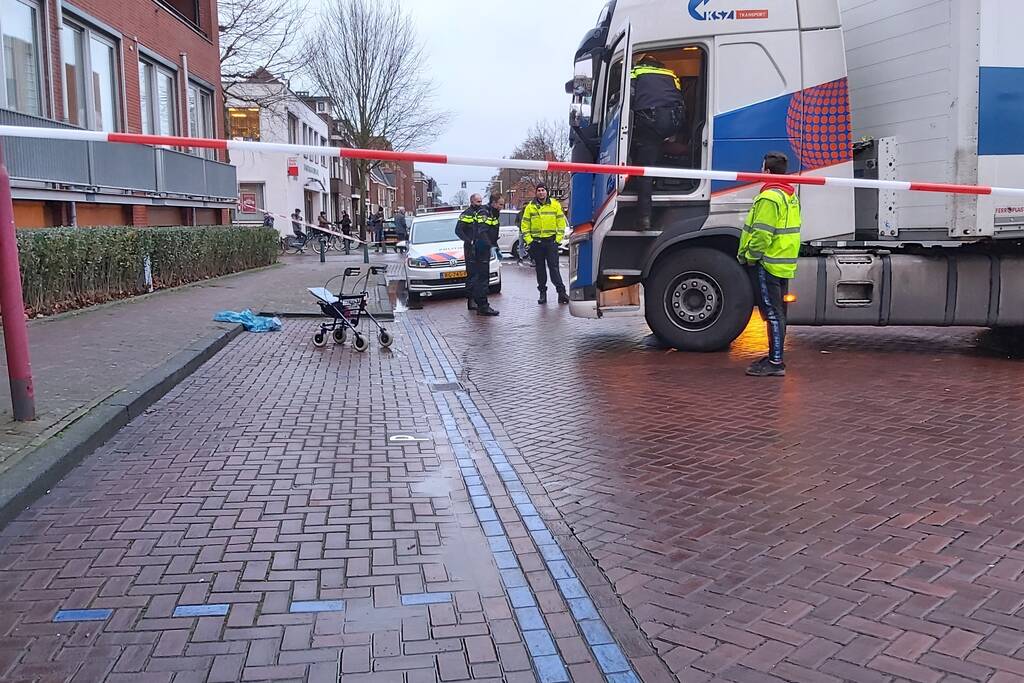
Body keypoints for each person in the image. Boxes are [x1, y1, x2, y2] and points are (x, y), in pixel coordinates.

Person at [738, 152, 802, 377]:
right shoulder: (789, 195)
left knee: (772, 313)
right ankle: (775, 357)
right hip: (782, 261)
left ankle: (775, 362)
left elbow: (762, 234)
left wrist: (751, 257)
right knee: (778, 313)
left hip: (768, 262)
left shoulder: (768, 198)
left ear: (766, 171)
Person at [630, 54, 686, 231]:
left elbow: (628, 100)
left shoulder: (636, 72)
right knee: (659, 149)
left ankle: (644, 217)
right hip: (673, 120)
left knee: (644, 169)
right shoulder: (671, 74)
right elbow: (679, 98)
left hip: (649, 120)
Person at [521, 183, 569, 305]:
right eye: (539, 190)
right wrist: (529, 240)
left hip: (551, 242)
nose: (541, 192)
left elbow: (561, 223)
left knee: (554, 269)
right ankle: (543, 293)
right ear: (536, 192)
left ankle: (561, 293)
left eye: (543, 190)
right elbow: (525, 225)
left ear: (546, 192)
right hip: (536, 243)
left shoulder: (555, 204)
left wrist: (558, 239)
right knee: (540, 270)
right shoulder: (530, 207)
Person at [455, 193, 500, 316]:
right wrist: (469, 241)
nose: (480, 204)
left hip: (479, 248)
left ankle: (477, 302)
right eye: (477, 202)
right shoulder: (467, 214)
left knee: (478, 276)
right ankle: (473, 301)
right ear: (472, 201)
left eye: (481, 201)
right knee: (473, 276)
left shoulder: (483, 212)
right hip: (471, 249)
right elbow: (458, 230)